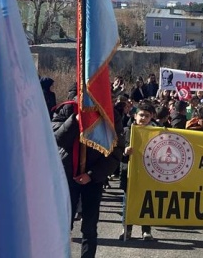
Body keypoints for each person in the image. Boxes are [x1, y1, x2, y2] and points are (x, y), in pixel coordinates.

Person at [53, 103, 118, 258]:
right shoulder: (67, 109)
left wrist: (92, 174)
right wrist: (75, 120)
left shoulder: (110, 113)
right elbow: (57, 138)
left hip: (93, 179)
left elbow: (116, 150)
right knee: (62, 224)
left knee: (89, 226)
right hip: (68, 175)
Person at [120, 101, 157, 241]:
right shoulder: (126, 131)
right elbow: (117, 152)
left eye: (147, 116)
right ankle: (126, 229)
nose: (143, 118)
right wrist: (124, 152)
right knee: (127, 203)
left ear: (151, 116)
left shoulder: (157, 133)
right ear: (135, 116)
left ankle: (146, 230)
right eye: (141, 115)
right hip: (129, 174)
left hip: (149, 175)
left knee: (148, 202)